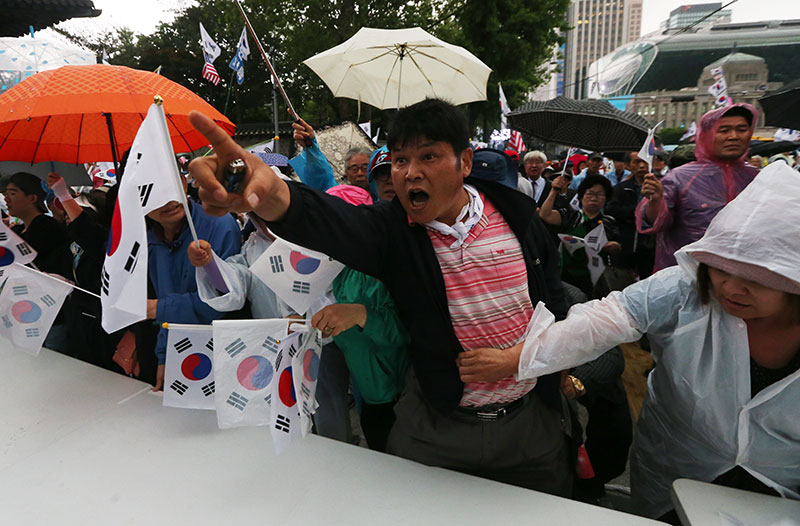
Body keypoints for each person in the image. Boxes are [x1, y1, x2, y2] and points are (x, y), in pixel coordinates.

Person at [186, 98, 572, 495]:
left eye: (429, 156)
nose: (410, 173)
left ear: (466, 162)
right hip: (436, 427)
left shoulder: (518, 215)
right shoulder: (394, 233)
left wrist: (547, 368)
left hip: (529, 429)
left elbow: (553, 301)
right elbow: (334, 222)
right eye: (401, 160)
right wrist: (272, 198)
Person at [457, 162, 800, 521]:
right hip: (677, 478)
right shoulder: (681, 290)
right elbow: (602, 321)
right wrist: (517, 358)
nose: (731, 287)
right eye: (720, 268)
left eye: (755, 279)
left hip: (782, 495)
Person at [636, 104, 759, 271]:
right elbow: (656, 223)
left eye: (741, 129)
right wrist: (655, 200)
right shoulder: (680, 177)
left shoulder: (760, 178)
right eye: (724, 130)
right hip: (687, 277)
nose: (734, 136)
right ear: (706, 135)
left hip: (746, 277)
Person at [146, 177, 241, 390]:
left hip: (227, 352)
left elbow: (226, 300)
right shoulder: (152, 242)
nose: (168, 201)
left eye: (171, 187)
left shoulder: (220, 224)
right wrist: (164, 356)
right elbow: (165, 304)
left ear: (184, 183)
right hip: (182, 355)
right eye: (154, 193)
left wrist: (158, 308)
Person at [3, 172, 72, 353]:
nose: (5, 198)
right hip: (21, 315)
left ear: (32, 198)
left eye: (12, 193)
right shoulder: (17, 230)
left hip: (49, 316)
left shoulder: (48, 228)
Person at [540, 173, 621, 297]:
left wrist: (612, 246)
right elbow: (545, 215)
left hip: (595, 278)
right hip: (567, 275)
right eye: (590, 193)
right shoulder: (571, 216)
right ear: (582, 197)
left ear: (606, 198)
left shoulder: (608, 221)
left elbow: (617, 245)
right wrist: (554, 190)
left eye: (599, 194)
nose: (594, 198)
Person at [606, 152, 656, 280]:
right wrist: (638, 212)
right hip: (626, 245)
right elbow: (612, 209)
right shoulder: (621, 189)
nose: (641, 166)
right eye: (636, 162)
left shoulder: (660, 187)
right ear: (628, 166)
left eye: (644, 161)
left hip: (651, 248)